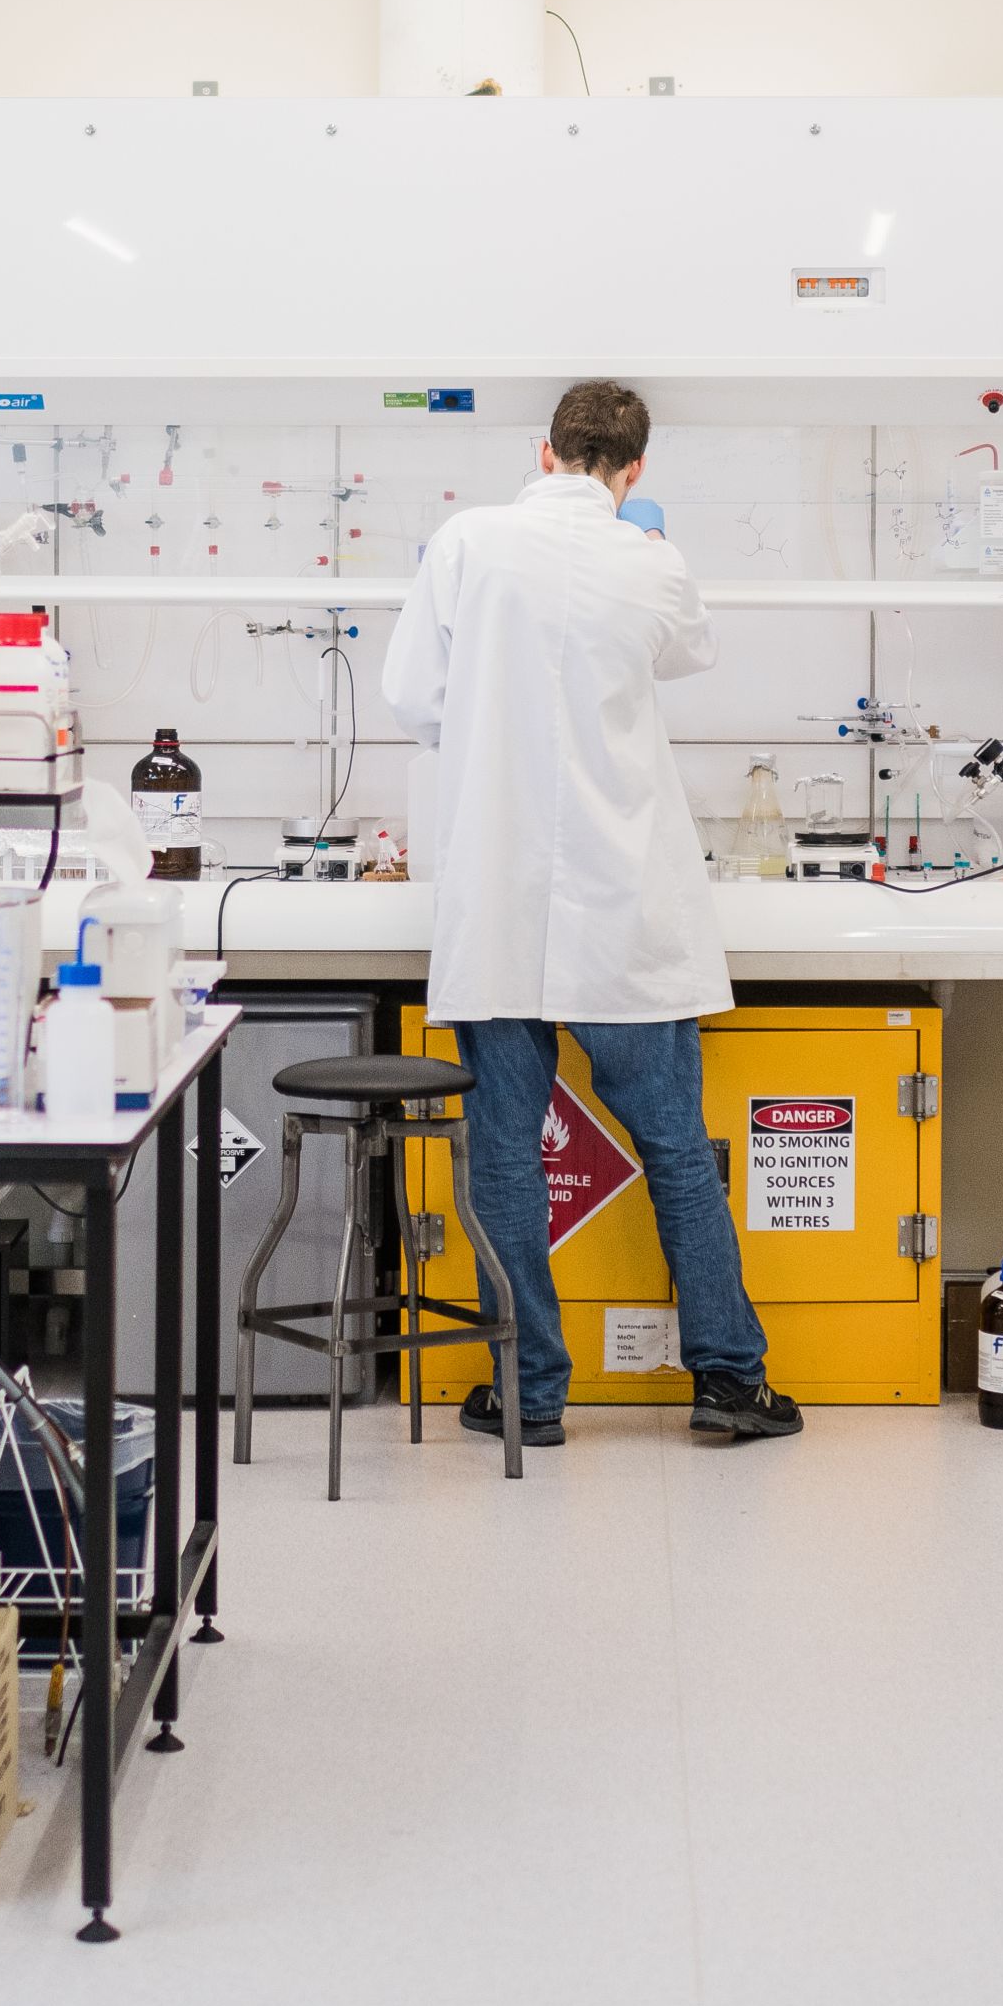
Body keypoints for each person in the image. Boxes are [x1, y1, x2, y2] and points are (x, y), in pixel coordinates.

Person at [382, 380, 803, 1449]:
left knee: (507, 1157)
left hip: (501, 901)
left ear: (545, 449)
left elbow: (412, 700)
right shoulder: (648, 559)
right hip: (625, 908)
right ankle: (729, 1381)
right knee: (672, 1147)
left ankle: (530, 1392)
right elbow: (684, 651)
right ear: (635, 468)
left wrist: (494, 714)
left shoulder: (468, 544)